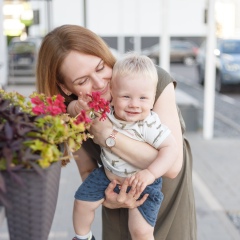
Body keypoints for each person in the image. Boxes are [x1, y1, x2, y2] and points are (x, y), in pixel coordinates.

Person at [36, 24, 197, 240]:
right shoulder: (73, 117)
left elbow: (173, 166)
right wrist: (107, 199)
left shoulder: (148, 81)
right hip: (118, 209)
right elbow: (87, 171)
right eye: (82, 81)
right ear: (65, 88)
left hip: (167, 205)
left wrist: (108, 137)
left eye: (101, 67)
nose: (99, 83)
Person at [71, 52, 178, 240]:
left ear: (153, 98)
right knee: (81, 203)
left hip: (142, 183)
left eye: (143, 98)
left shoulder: (150, 124)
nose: (134, 104)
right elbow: (79, 111)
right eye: (126, 96)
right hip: (108, 176)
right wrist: (76, 106)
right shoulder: (107, 113)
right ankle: (83, 237)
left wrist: (151, 173)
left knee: (140, 231)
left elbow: (171, 149)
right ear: (112, 92)